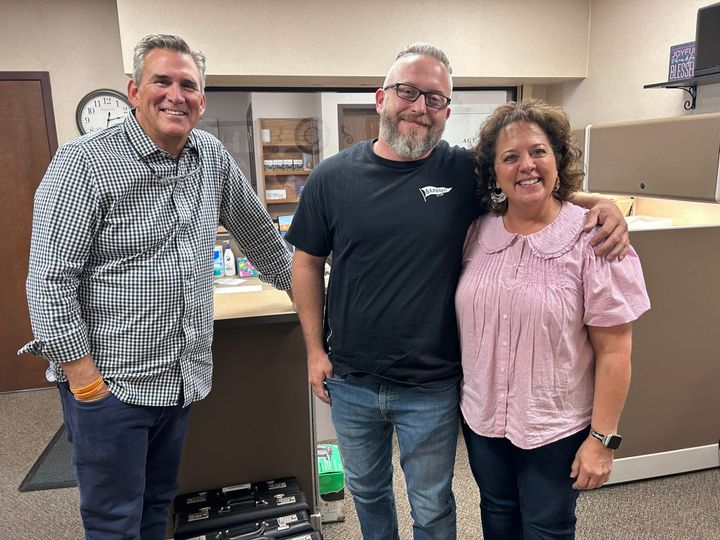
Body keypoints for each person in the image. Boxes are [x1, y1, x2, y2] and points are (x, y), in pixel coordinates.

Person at [287, 42, 629, 540]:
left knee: (432, 505)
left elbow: (530, 183)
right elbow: (306, 264)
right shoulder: (332, 178)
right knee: (368, 494)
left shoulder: (463, 172)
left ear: (447, 111)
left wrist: (605, 204)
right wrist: (314, 350)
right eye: (408, 92)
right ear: (380, 98)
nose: (419, 107)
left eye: (435, 98)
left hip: (434, 383)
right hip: (351, 380)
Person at [19, 34, 291, 540]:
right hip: (111, 386)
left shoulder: (210, 157)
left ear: (202, 100)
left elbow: (265, 242)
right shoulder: (84, 162)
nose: (175, 94)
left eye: (188, 85)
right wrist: (86, 383)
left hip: (180, 380)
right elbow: (51, 279)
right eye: (161, 81)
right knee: (113, 518)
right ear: (133, 91)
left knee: (157, 506)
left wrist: (321, 295)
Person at [457, 99, 650, 539]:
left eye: (538, 151)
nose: (526, 165)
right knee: (498, 517)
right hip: (483, 421)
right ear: (495, 172)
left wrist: (602, 441)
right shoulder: (476, 232)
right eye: (510, 156)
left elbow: (615, 349)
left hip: (554, 426)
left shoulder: (593, 238)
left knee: (546, 528)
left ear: (558, 160)